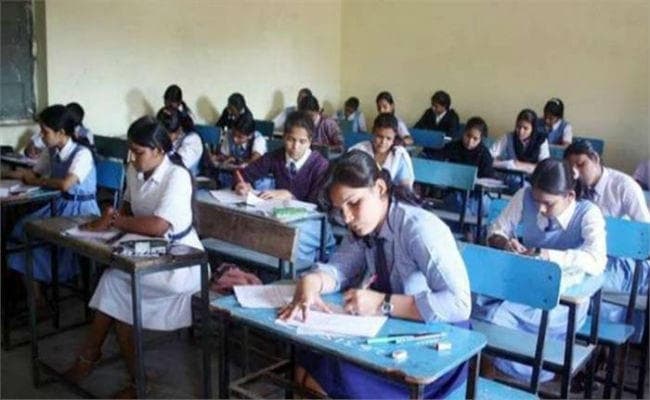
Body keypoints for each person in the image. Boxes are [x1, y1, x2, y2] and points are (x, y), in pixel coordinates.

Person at [278, 150, 471, 399]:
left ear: (379, 188)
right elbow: (341, 268)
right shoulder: (365, 226)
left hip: (437, 344)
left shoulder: (419, 229)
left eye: (354, 203)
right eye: (340, 209)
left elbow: (459, 304)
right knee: (305, 364)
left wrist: (382, 303)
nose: (347, 218)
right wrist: (312, 281)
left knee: (327, 375)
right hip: (392, 330)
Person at [63, 117, 202, 398]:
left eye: (138, 152)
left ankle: (97, 360)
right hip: (146, 253)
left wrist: (115, 221)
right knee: (116, 286)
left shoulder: (177, 176)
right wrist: (112, 216)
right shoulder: (134, 169)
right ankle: (131, 377)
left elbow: (158, 226)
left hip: (179, 262)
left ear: (159, 150)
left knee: (115, 284)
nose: (132, 158)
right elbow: (128, 207)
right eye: (131, 151)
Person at [478, 158, 606, 382]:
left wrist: (549, 255)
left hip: (563, 299)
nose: (540, 208)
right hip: (524, 285)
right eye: (537, 201)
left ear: (570, 196)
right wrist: (505, 243)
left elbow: (597, 261)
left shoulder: (588, 213)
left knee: (492, 318)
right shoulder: (525, 195)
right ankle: (486, 373)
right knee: (474, 309)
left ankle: (508, 372)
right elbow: (496, 230)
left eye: (548, 203)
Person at [6, 105, 99, 313]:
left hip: (81, 210)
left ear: (61, 132)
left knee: (31, 236)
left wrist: (35, 181)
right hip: (59, 205)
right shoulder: (52, 151)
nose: (41, 136)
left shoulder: (82, 154)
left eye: (45, 131)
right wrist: (5, 174)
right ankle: (36, 297)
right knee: (19, 231)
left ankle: (41, 295)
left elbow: (65, 184)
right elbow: (32, 174)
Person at [564, 140, 649, 339]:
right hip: (587, 255)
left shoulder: (624, 186)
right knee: (566, 278)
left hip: (622, 261)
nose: (576, 172)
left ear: (595, 159)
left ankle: (595, 342)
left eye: (581, 164)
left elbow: (645, 235)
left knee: (586, 283)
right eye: (571, 168)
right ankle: (571, 338)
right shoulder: (573, 187)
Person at [235, 110, 333, 262]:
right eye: (290, 139)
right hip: (281, 220)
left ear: (310, 141)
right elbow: (243, 174)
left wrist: (290, 196)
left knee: (282, 242)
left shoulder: (320, 165)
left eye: (302, 141)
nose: (295, 147)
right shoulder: (276, 156)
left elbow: (319, 206)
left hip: (312, 224)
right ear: (283, 137)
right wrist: (241, 184)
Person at [440, 116, 494, 220]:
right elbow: (439, 166)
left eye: (475, 139)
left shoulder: (484, 154)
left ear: (481, 139)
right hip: (454, 192)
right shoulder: (452, 147)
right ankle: (469, 228)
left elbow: (488, 177)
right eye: (468, 136)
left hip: (476, 195)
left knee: (486, 207)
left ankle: (472, 227)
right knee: (463, 208)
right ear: (464, 132)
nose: (470, 141)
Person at [349, 113, 414, 189]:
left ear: (394, 138)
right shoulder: (360, 150)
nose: (383, 142)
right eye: (379, 136)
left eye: (388, 138)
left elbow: (405, 188)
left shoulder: (398, 156)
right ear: (373, 132)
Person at [213, 113, 267, 188]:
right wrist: (221, 159)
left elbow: (255, 159)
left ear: (250, 136)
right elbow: (223, 154)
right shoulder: (229, 134)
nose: (235, 139)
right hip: (233, 174)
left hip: (252, 176)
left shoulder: (258, 139)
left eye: (240, 137)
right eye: (234, 134)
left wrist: (239, 161)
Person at [157, 107, 203, 176]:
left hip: (183, 178)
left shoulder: (192, 140)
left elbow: (177, 167)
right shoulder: (157, 137)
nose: (163, 138)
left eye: (167, 134)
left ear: (179, 130)